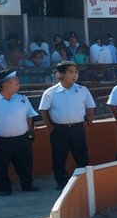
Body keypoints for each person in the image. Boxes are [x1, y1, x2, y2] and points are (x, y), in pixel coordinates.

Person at [0, 70, 39, 196]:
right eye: (14, 82)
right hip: (1, 140)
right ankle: (5, 189)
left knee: (25, 164)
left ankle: (27, 185)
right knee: (1, 166)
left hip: (22, 138)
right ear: (4, 84)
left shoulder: (22, 99)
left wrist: (30, 132)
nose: (18, 84)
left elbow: (29, 116)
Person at [39, 61, 96, 189]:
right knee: (59, 156)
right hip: (59, 129)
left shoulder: (82, 90)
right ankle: (61, 181)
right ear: (61, 74)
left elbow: (90, 106)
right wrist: (49, 126)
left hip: (77, 127)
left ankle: (84, 180)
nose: (74, 75)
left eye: (76, 72)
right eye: (70, 72)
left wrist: (89, 120)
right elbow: (43, 110)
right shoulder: (50, 92)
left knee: (81, 154)